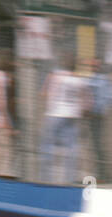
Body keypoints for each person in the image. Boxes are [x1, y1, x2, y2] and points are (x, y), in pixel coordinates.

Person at [40, 53, 87, 184]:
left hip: (55, 113)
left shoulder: (55, 75)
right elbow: (85, 99)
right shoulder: (79, 79)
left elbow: (44, 93)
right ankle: (69, 178)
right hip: (72, 114)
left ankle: (45, 177)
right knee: (72, 147)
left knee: (47, 145)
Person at [84, 58, 112, 183]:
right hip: (89, 115)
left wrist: (103, 110)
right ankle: (95, 174)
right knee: (92, 146)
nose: (94, 67)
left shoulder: (105, 80)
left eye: (96, 65)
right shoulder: (88, 78)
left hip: (99, 116)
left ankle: (103, 175)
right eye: (92, 65)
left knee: (99, 146)